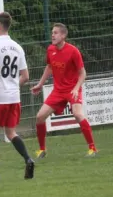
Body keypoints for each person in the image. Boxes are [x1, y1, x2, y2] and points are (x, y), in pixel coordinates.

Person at [0, 12, 35, 183]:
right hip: (14, 97)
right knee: (10, 132)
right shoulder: (18, 47)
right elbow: (25, 76)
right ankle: (28, 159)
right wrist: (12, 86)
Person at [31, 23, 97, 157]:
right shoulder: (50, 49)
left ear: (63, 35)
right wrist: (40, 84)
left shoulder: (73, 51)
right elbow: (49, 67)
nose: (52, 35)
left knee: (78, 115)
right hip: (58, 91)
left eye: (55, 33)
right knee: (39, 117)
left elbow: (83, 73)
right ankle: (42, 150)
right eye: (52, 32)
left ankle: (92, 148)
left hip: (72, 89)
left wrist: (76, 88)